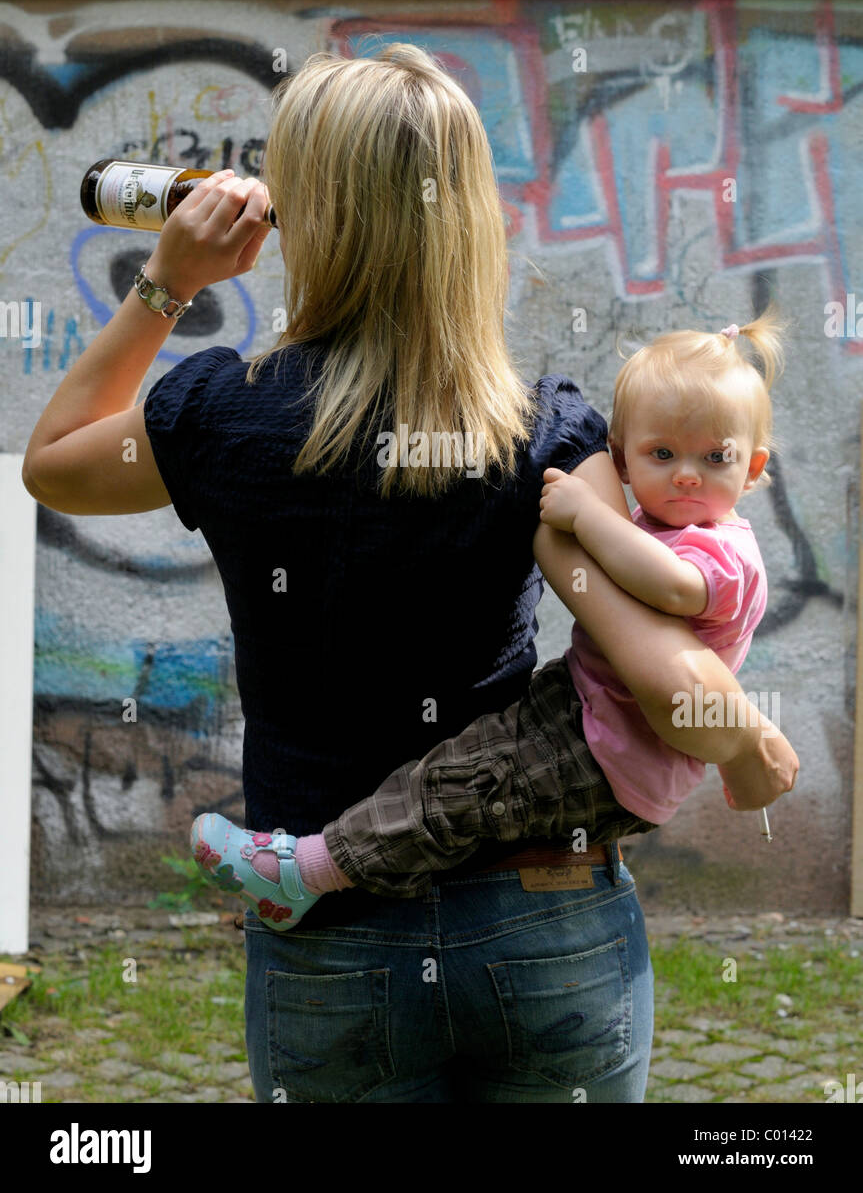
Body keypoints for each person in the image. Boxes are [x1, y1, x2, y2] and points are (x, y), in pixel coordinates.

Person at [22, 43, 798, 1103]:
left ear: (307, 213)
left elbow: (52, 462)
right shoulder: (548, 435)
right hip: (543, 913)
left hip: (328, 934)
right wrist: (742, 736)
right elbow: (674, 671)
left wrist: (170, 281)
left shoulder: (218, 413)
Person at [190, 309, 796, 932]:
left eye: (716, 457)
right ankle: (323, 884)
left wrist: (589, 517)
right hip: (588, 713)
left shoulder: (725, 551)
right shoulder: (657, 525)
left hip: (619, 755)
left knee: (460, 795)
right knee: (458, 774)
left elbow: (673, 587)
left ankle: (304, 874)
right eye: (662, 453)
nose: (688, 474)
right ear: (620, 459)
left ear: (752, 469)